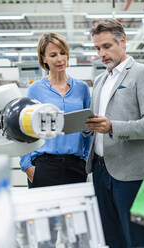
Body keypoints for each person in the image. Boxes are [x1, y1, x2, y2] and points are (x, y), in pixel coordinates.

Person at [85, 19, 144, 248]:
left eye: (107, 46)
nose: (102, 53)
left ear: (123, 41)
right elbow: (99, 122)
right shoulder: (100, 80)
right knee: (110, 239)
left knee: (136, 240)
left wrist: (113, 127)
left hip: (129, 175)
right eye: (98, 48)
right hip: (100, 172)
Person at [20, 33, 91, 188]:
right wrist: (27, 166)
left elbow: (89, 128)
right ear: (43, 58)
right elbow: (25, 131)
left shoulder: (82, 89)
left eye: (63, 53)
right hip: (43, 166)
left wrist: (86, 160)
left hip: (75, 166)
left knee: (75, 212)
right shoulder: (35, 90)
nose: (60, 59)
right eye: (53, 55)